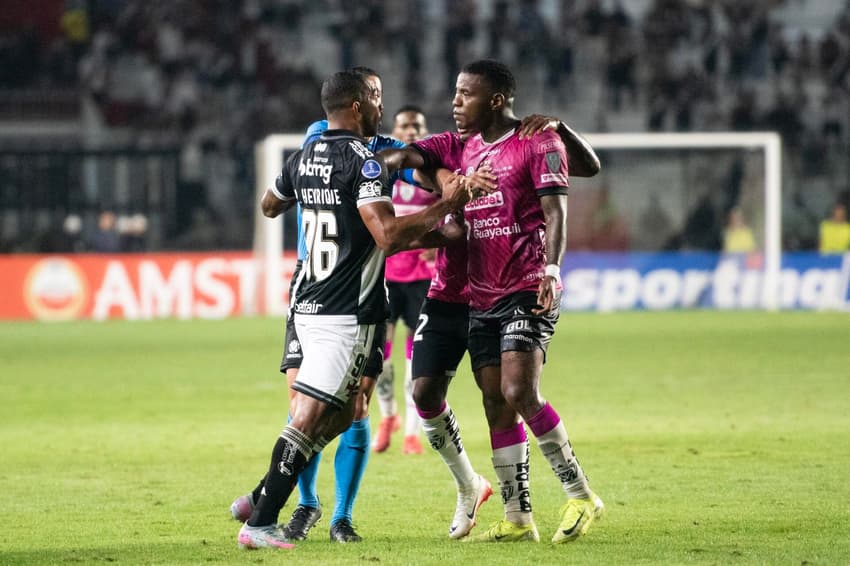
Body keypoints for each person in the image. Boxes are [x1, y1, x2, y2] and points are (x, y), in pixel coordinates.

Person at [235, 70, 473, 550]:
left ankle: (265, 493)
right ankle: (260, 522)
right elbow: (386, 235)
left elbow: (269, 205)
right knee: (310, 416)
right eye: (377, 98)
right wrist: (446, 207)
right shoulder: (364, 162)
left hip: (306, 299)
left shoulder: (304, 155)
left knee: (344, 413)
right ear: (360, 104)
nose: (382, 108)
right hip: (348, 314)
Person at [379, 69, 601, 540]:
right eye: (455, 91)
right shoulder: (468, 148)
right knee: (496, 404)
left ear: (496, 99)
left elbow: (556, 209)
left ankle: (581, 496)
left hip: (526, 285)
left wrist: (552, 271)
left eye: (466, 94)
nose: (455, 101)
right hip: (479, 295)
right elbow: (416, 163)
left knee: (520, 392)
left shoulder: (537, 141)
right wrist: (409, 171)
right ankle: (519, 517)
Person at [372, 105, 436, 455]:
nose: (411, 131)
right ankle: (387, 417)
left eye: (417, 125)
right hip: (386, 273)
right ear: (394, 131)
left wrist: (439, 247)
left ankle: (412, 431)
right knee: (379, 355)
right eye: (404, 126)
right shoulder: (382, 168)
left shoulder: (435, 170)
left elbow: (458, 211)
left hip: (422, 277)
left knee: (417, 357)